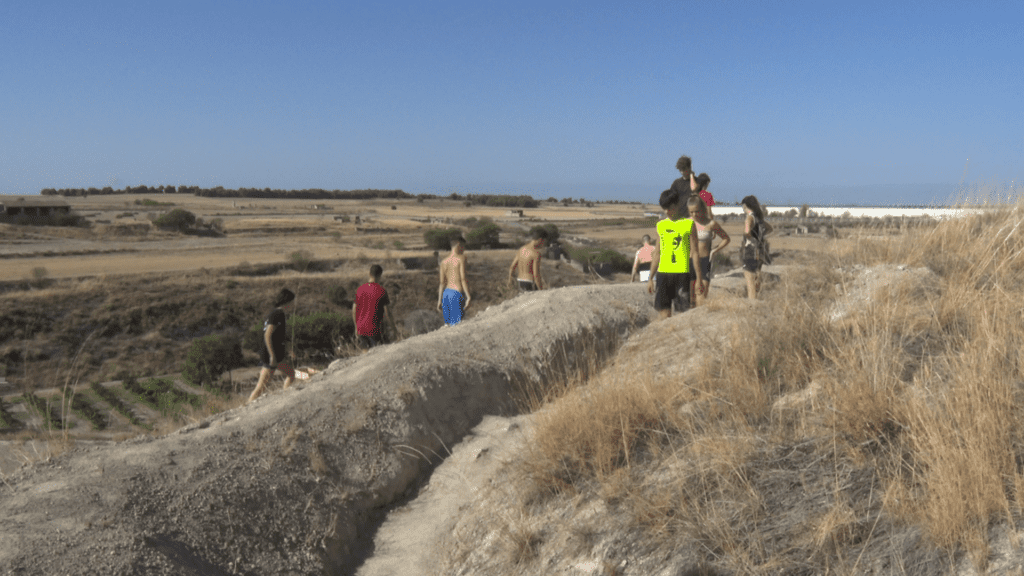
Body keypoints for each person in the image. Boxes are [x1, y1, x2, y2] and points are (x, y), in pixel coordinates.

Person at [648, 188, 704, 320]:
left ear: (677, 204)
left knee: (682, 316)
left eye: (670, 207)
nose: (667, 211)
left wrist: (699, 279)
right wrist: (651, 278)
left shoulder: (689, 224)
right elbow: (657, 253)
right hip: (663, 275)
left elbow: (695, 252)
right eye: (664, 208)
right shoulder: (660, 225)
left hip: (682, 274)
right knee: (663, 315)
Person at [248, 288, 296, 403]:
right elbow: (267, 335)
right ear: (287, 302)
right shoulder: (278, 314)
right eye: (292, 302)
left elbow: (280, 337)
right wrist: (272, 356)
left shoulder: (277, 314)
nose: (293, 305)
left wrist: (289, 350)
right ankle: (245, 407)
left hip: (275, 355)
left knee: (291, 373)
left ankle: (287, 397)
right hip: (272, 356)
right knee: (261, 387)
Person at [687, 196, 730, 305]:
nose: (694, 215)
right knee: (690, 300)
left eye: (696, 211)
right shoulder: (685, 223)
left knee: (701, 298)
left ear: (702, 209)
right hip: (688, 262)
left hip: (704, 261)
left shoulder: (711, 224)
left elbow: (726, 238)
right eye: (691, 212)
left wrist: (714, 250)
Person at [353, 264, 398, 348]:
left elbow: (354, 310)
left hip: (361, 329)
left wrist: (356, 327)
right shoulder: (382, 291)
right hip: (375, 330)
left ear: (369, 274)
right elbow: (388, 313)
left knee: (365, 355)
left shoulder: (359, 290)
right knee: (377, 355)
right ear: (380, 275)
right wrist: (394, 329)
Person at [741, 195, 774, 300]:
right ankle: (757, 303)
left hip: (750, 251)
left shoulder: (749, 217)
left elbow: (747, 232)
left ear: (746, 206)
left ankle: (752, 307)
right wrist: (759, 238)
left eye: (743, 207)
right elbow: (770, 229)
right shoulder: (759, 219)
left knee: (750, 283)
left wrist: (751, 239)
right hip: (759, 251)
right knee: (756, 282)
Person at [437, 235, 471, 325]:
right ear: (458, 245)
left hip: (446, 294)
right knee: (458, 326)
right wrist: (468, 296)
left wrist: (439, 300)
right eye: (463, 246)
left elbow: (441, 283)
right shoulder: (461, 258)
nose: (463, 249)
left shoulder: (444, 262)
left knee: (448, 327)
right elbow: (463, 278)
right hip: (457, 293)